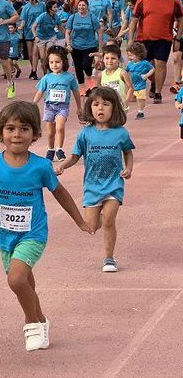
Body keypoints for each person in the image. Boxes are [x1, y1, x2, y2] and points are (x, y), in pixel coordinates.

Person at [0, 101, 92, 352]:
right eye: (11, 128)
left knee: (15, 280)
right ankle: (42, 319)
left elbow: (61, 194)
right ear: (0, 132)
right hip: (5, 237)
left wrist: (80, 220)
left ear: (35, 134)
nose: (16, 134)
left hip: (33, 234)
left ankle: (31, 321)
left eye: (24, 129)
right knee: (26, 282)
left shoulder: (40, 166)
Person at [55, 87, 133, 273]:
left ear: (114, 108)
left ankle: (109, 258)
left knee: (108, 221)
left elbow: (128, 152)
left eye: (106, 104)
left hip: (114, 184)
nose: (101, 108)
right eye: (96, 104)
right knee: (91, 226)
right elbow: (74, 157)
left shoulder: (120, 133)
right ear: (90, 108)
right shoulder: (84, 134)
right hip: (92, 185)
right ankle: (99, 222)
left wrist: (129, 168)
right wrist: (62, 166)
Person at [128, 0, 183, 104]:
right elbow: (134, 20)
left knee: (160, 64)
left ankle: (157, 93)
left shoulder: (173, 1)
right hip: (144, 38)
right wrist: (131, 39)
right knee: (147, 66)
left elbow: (180, 19)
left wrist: (178, 38)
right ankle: (154, 82)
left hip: (164, 38)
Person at [33, 45, 82, 162]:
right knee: (50, 132)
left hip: (62, 107)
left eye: (57, 62)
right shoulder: (47, 77)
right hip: (49, 107)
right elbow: (40, 92)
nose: (54, 65)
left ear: (64, 62)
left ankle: (59, 149)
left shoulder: (69, 77)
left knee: (60, 128)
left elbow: (76, 92)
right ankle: (50, 150)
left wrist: (79, 107)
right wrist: (33, 104)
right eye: (51, 62)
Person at [65, 0, 102, 96]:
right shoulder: (73, 17)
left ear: (87, 7)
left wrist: (100, 47)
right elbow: (67, 32)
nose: (81, 7)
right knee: (78, 67)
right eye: (80, 5)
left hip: (90, 45)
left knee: (86, 65)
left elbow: (99, 31)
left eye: (83, 5)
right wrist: (68, 44)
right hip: (75, 46)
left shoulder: (92, 17)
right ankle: (82, 87)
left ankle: (90, 78)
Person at [32, 0, 61, 79]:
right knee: (42, 57)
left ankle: (50, 71)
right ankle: (45, 73)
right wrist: (35, 36)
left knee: (49, 52)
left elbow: (61, 28)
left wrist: (68, 37)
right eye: (54, 7)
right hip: (40, 37)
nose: (56, 9)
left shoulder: (56, 17)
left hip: (51, 37)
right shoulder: (43, 16)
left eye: (56, 7)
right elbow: (33, 27)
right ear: (50, 8)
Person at [20, 0, 45, 80]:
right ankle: (32, 68)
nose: (30, 1)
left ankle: (34, 71)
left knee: (35, 53)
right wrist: (21, 27)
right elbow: (23, 20)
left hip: (39, 32)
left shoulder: (42, 6)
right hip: (28, 31)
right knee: (30, 54)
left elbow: (45, 16)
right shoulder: (26, 7)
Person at [99, 44, 133, 111]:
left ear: (118, 60)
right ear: (103, 59)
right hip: (106, 107)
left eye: (113, 58)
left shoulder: (122, 73)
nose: (110, 61)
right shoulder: (101, 75)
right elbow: (99, 91)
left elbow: (131, 88)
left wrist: (126, 101)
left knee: (117, 121)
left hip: (120, 107)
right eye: (107, 58)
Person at [126, 41, 155, 119]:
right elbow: (125, 71)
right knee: (129, 98)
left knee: (140, 99)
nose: (130, 57)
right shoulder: (130, 64)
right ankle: (124, 110)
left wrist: (146, 75)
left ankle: (140, 111)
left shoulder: (144, 63)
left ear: (138, 55)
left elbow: (152, 69)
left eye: (131, 55)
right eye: (129, 55)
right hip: (132, 84)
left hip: (141, 84)